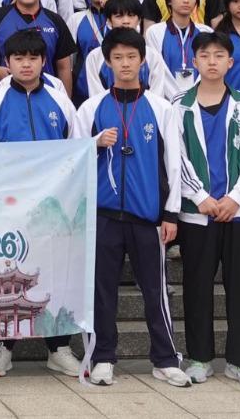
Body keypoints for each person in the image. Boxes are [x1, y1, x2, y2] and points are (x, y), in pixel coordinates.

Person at [0, 30, 85, 378]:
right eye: (18, 58)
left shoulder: (60, 99)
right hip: (10, 207)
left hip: (54, 207)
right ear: (7, 62)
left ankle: (59, 347)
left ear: (43, 61)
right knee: (8, 276)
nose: (25, 64)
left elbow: (76, 149)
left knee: (56, 274)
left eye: (32, 58)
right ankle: (2, 349)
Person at [79, 28, 189, 388]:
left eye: (131, 57)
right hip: (103, 216)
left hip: (147, 217)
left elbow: (174, 164)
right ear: (107, 63)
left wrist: (170, 213)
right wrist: (94, 143)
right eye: (117, 58)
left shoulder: (162, 108)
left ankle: (165, 359)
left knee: (156, 292)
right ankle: (103, 357)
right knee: (102, 292)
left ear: (143, 61)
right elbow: (72, 159)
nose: (125, 64)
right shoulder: (91, 108)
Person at [173, 33, 240, 389]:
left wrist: (236, 198)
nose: (212, 61)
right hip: (197, 212)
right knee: (197, 286)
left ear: (230, 62)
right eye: (205, 55)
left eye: (219, 55)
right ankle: (199, 358)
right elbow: (176, 157)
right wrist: (200, 196)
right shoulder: (178, 105)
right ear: (194, 61)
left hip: (239, 212)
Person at [83, 0, 179, 101]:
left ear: (139, 20)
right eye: (119, 16)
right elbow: (96, 98)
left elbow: (156, 97)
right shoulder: (95, 57)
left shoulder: (152, 56)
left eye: (131, 15)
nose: (126, 21)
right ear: (109, 21)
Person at [142, 0, 213, 99]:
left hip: (199, 99)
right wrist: (178, 98)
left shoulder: (206, 32)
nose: (186, 0)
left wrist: (192, 97)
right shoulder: (154, 32)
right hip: (166, 100)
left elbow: (208, 67)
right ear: (169, 0)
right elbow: (158, 69)